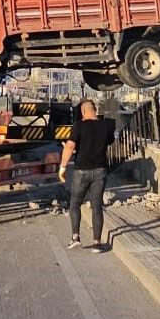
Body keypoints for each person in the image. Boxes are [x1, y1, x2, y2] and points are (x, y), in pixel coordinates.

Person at [59, 98, 116, 251]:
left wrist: (63, 168)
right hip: (100, 170)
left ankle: (75, 237)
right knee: (97, 206)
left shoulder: (78, 126)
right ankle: (97, 243)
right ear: (95, 110)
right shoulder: (107, 126)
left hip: (81, 171)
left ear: (83, 112)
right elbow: (107, 142)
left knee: (75, 204)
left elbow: (70, 146)